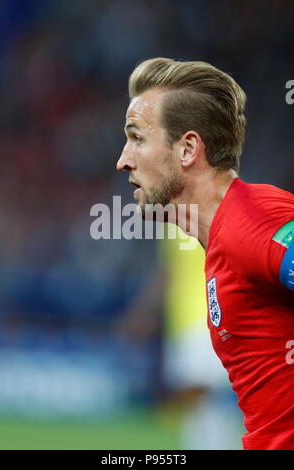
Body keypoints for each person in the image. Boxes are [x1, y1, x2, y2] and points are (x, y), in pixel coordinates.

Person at [116, 57, 294, 450]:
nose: (123, 160)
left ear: (188, 149)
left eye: (137, 138)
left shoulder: (250, 223)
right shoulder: (219, 240)